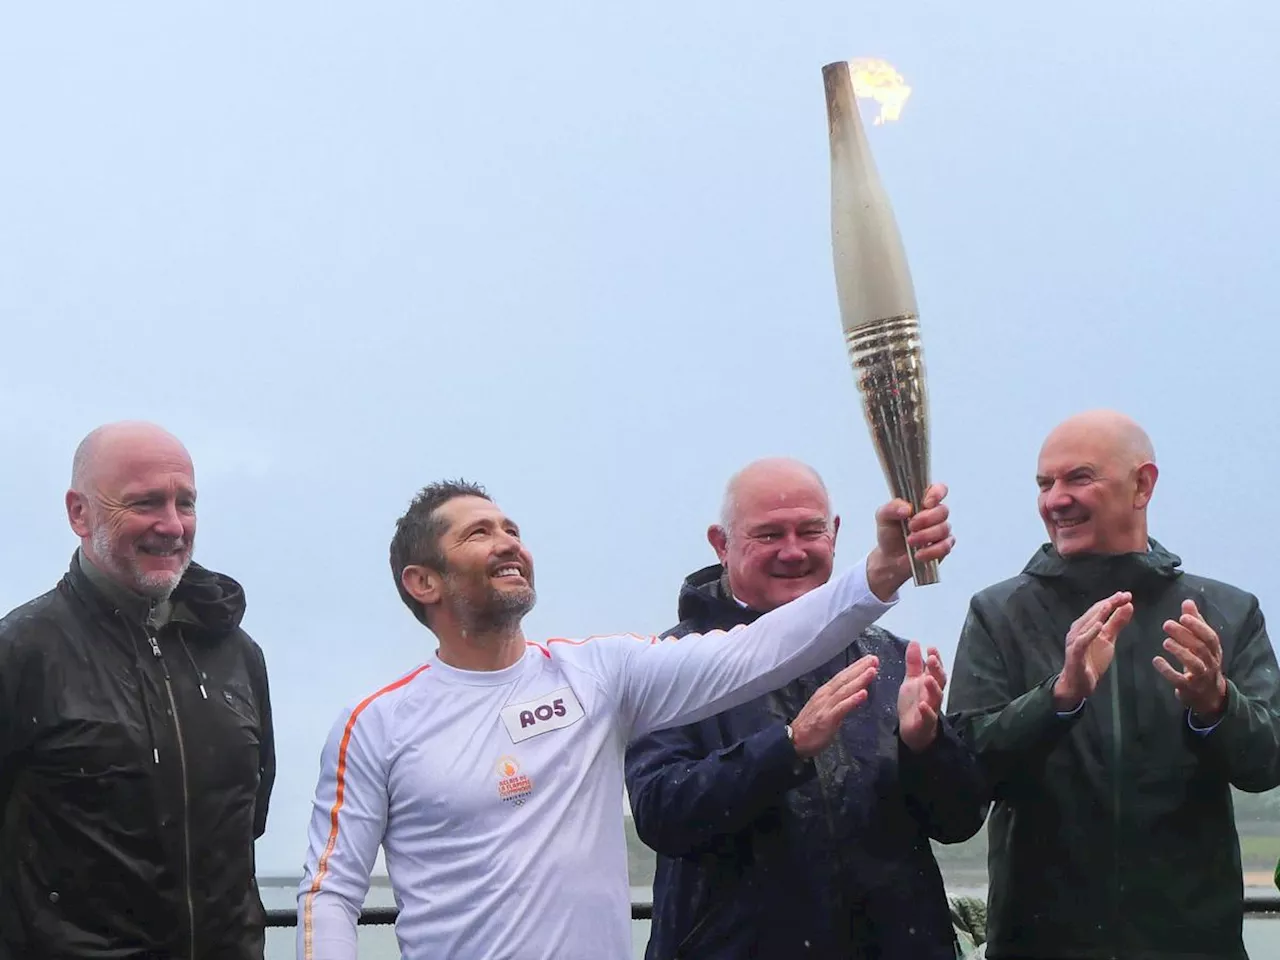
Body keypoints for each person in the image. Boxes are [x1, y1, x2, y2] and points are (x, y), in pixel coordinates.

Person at [297, 476, 955, 960]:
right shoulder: (376, 725)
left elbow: (758, 650)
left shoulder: (600, 675)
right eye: (479, 533)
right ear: (423, 582)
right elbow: (329, 896)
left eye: (513, 531)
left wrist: (879, 574)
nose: (509, 545)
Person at [946, 409, 1280, 960]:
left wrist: (1217, 705)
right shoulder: (998, 614)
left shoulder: (1225, 611)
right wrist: (1058, 698)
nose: (1055, 499)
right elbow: (966, 771)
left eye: (1079, 478)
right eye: (1044, 484)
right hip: (1043, 945)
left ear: (1142, 485)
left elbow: (1265, 764)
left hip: (1191, 946)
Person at [623, 457, 987, 960]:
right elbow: (662, 813)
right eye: (769, 535)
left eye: (809, 531)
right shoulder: (672, 667)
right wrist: (787, 747)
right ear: (721, 544)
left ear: (834, 534)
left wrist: (927, 746)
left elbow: (960, 821)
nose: (792, 552)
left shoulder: (888, 656)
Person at [0, 421, 276, 960]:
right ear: (79, 513)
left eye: (186, 503)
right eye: (146, 502)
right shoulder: (21, 654)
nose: (172, 526)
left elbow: (250, 820)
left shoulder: (237, 655)